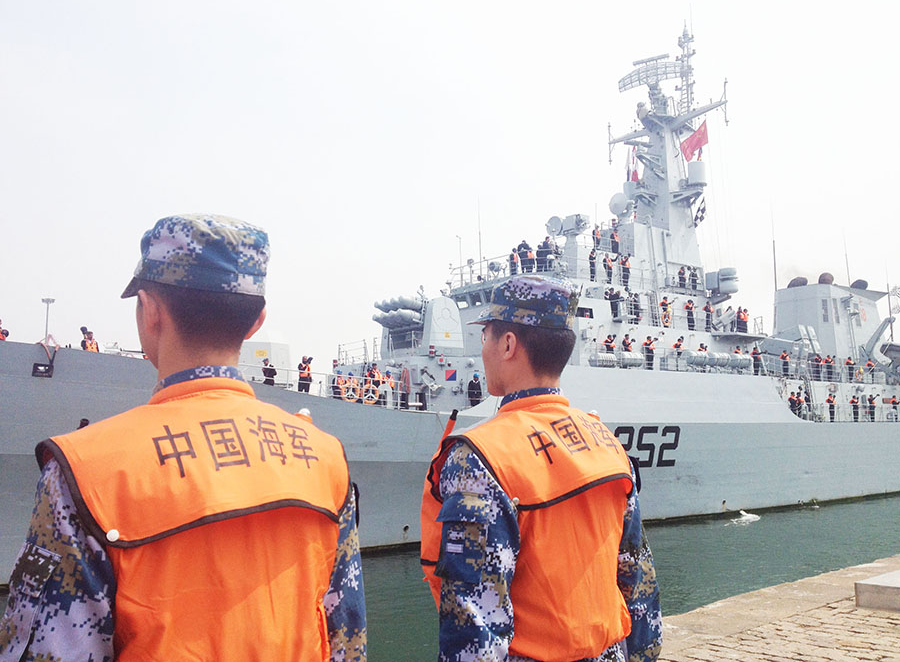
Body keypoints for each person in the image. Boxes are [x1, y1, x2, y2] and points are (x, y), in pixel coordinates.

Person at [0, 214, 366, 660]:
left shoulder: (83, 471)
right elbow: (346, 638)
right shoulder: (327, 461)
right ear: (256, 322)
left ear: (150, 310)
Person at [420, 274, 661, 661]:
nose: (482, 349)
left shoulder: (482, 457)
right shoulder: (608, 445)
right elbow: (638, 581)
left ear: (509, 344)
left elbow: (474, 623)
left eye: (486, 336)